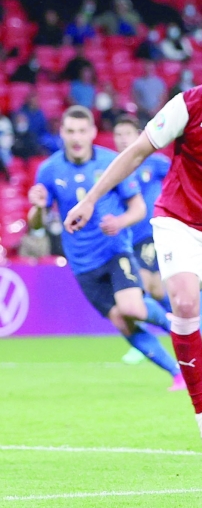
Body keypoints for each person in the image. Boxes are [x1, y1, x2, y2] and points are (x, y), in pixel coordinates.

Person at [63, 28, 202, 450]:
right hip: (178, 221)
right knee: (185, 303)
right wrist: (92, 199)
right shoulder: (190, 103)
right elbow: (136, 151)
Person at [29, 106, 182, 390]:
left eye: (82, 131)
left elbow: (137, 208)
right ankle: (177, 373)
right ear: (61, 133)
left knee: (132, 307)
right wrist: (38, 208)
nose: (76, 137)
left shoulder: (112, 163)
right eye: (70, 131)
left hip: (114, 250)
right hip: (82, 263)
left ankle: (179, 325)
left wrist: (120, 221)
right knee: (123, 323)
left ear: (93, 133)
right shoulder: (49, 169)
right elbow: (36, 225)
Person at [113, 117, 173, 364]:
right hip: (128, 238)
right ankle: (184, 325)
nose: (123, 138)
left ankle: (142, 344)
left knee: (141, 288)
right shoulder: (113, 167)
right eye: (118, 134)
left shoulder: (156, 163)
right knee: (158, 290)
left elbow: (181, 180)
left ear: (138, 135)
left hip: (151, 233)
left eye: (127, 133)